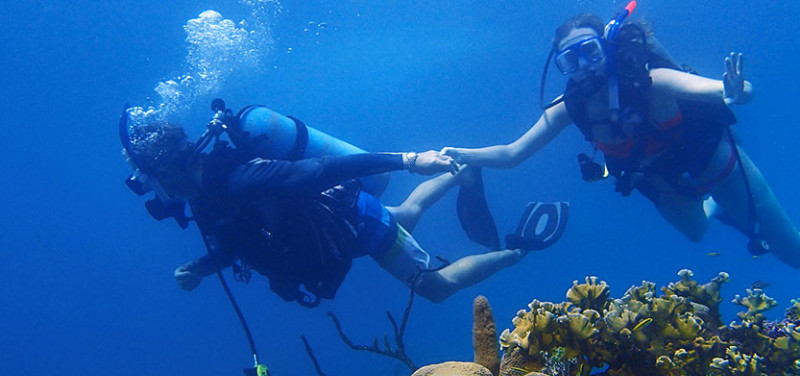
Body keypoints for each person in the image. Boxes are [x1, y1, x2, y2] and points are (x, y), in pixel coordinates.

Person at [442, 11, 800, 268]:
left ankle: (722, 201)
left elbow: (723, 91)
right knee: (696, 231)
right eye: (570, 59)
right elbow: (513, 153)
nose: (584, 66)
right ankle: (713, 206)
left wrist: (738, 92)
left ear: (608, 49)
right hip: (658, 180)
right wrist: (464, 154)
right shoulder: (569, 108)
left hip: (714, 161)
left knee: (788, 246)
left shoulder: (653, 80)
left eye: (590, 51)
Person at [120, 104, 557, 306]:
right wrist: (202, 267)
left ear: (163, 168)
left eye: (147, 179)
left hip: (348, 221)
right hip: (331, 226)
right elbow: (240, 240)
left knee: (434, 288)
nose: (152, 191)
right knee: (403, 216)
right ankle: (459, 172)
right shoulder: (204, 196)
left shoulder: (234, 178)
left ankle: (518, 250)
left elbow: (320, 171)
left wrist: (409, 160)